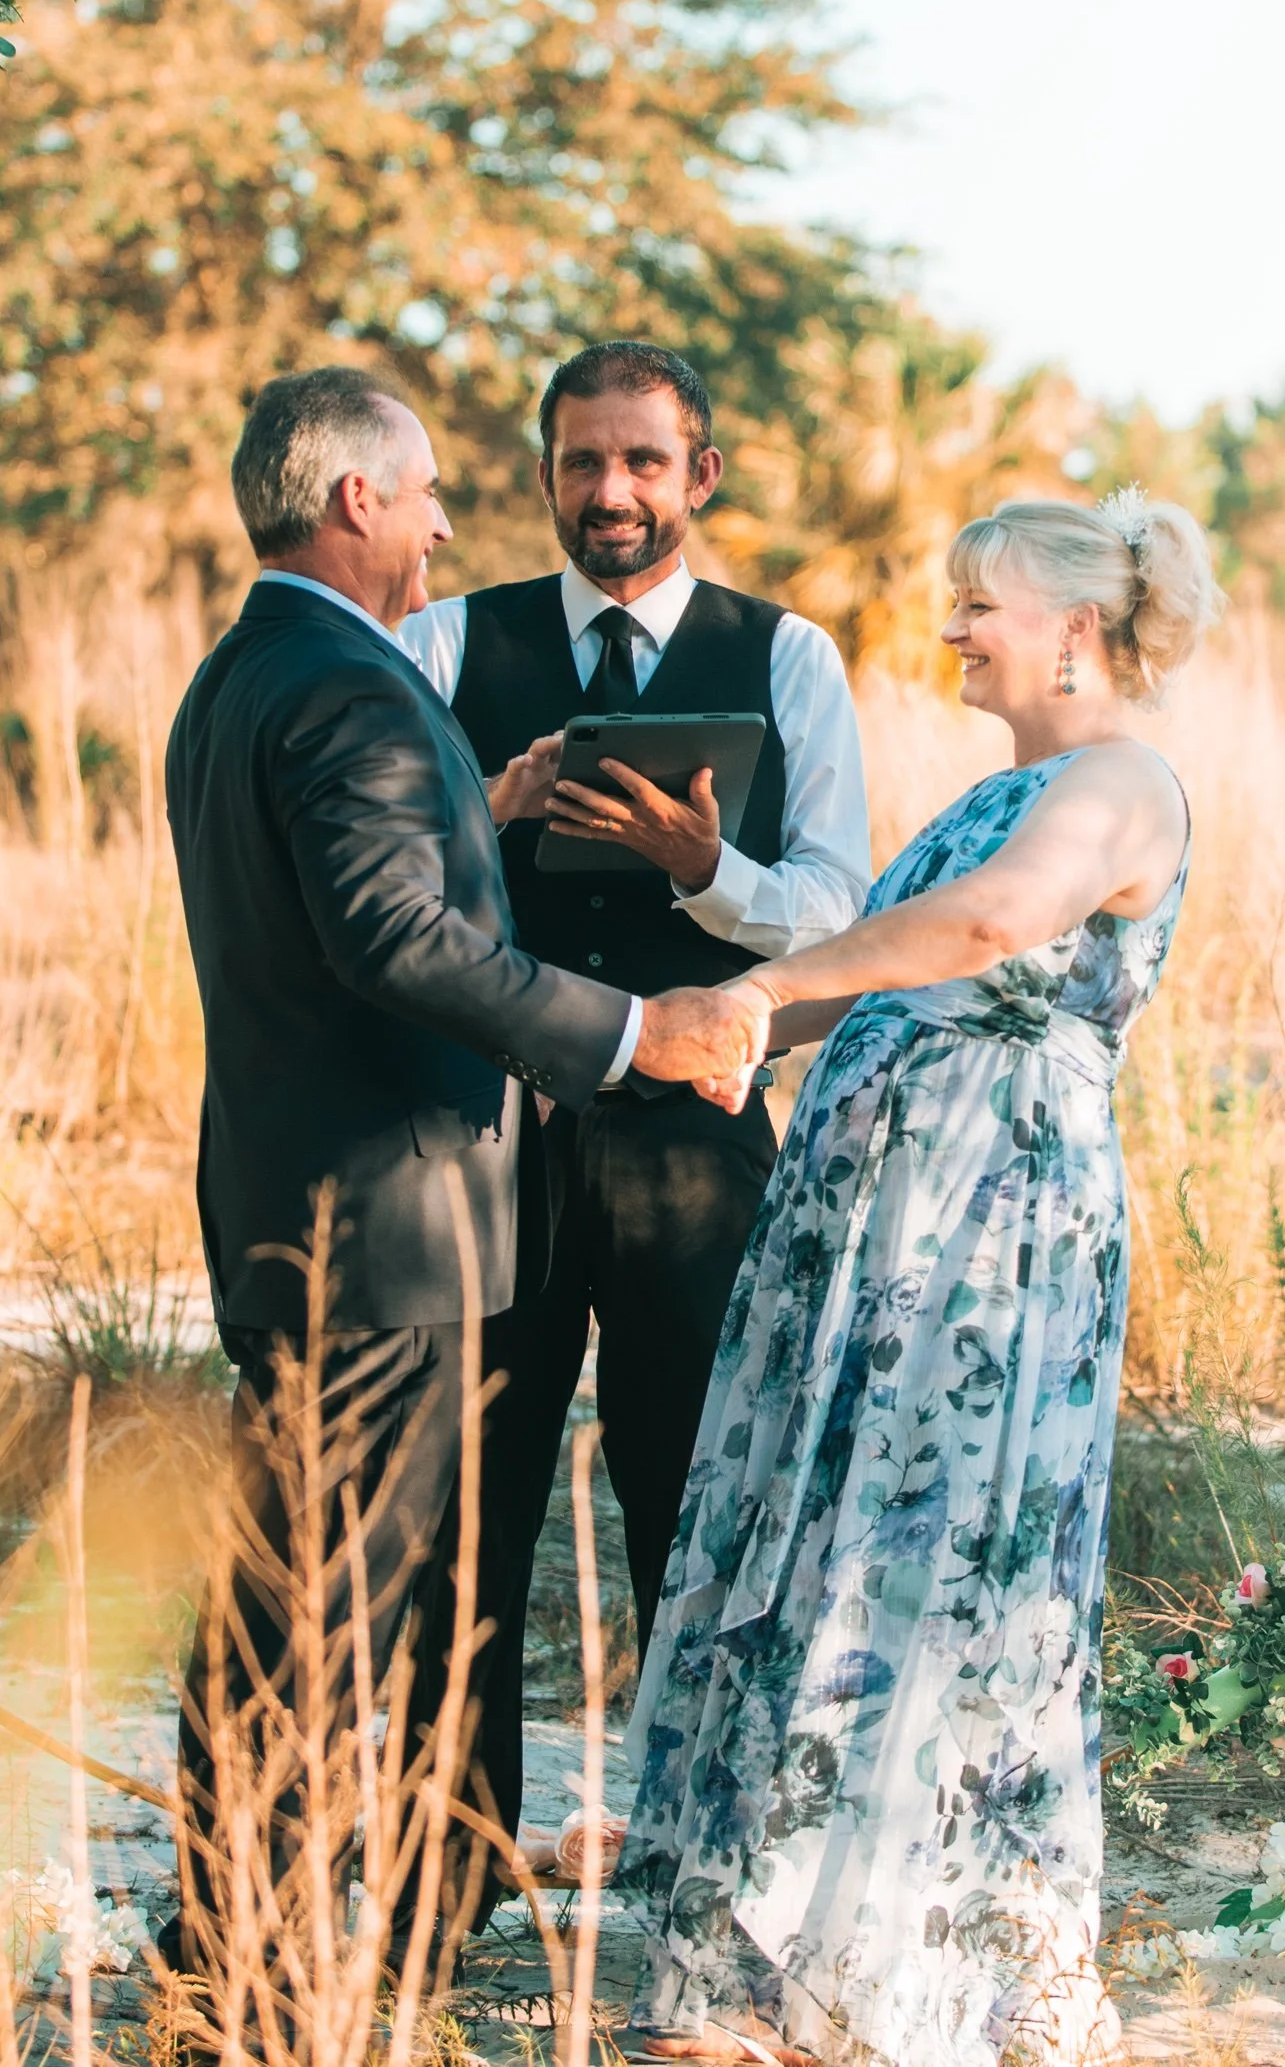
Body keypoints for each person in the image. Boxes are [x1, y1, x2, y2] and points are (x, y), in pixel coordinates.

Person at [158, 365, 754, 1984]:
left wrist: (478, 817)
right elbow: (396, 941)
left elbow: (343, 915)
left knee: (287, 1589)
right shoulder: (351, 687)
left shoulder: (244, 673)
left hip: (297, 1200)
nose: (438, 525)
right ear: (356, 498)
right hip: (386, 1224)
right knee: (326, 1606)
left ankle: (219, 1930)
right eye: (421, 494)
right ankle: (242, 1959)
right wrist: (635, 1030)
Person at [616, 492, 1224, 2067]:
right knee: (831, 1534)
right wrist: (720, 1030)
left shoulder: (1116, 782)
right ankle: (765, 1962)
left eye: (978, 603)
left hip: (984, 1237)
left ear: (1073, 628)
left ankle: (895, 1972)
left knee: (932, 1550)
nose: (950, 627)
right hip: (877, 1237)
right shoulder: (993, 791)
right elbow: (882, 957)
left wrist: (762, 985)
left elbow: (987, 927)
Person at [398, 339, 871, 1883]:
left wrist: (699, 868)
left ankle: (705, 1867)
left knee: (702, 1499)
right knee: (469, 1506)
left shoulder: (786, 657)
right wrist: (494, 813)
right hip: (490, 1138)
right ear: (544, 476)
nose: (611, 491)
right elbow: (383, 889)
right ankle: (450, 1873)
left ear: (698, 475)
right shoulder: (446, 641)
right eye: (582, 462)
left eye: (642, 461)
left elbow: (837, 910)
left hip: (701, 1133)